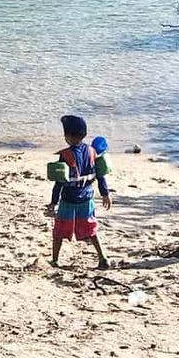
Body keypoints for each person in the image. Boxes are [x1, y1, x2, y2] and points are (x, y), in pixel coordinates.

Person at [46, 115, 111, 268]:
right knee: (91, 229)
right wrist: (105, 194)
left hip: (68, 199)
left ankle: (55, 260)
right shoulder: (92, 151)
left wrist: (53, 202)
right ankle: (102, 258)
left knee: (59, 231)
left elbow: (59, 182)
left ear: (67, 136)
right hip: (87, 198)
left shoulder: (65, 155)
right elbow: (100, 175)